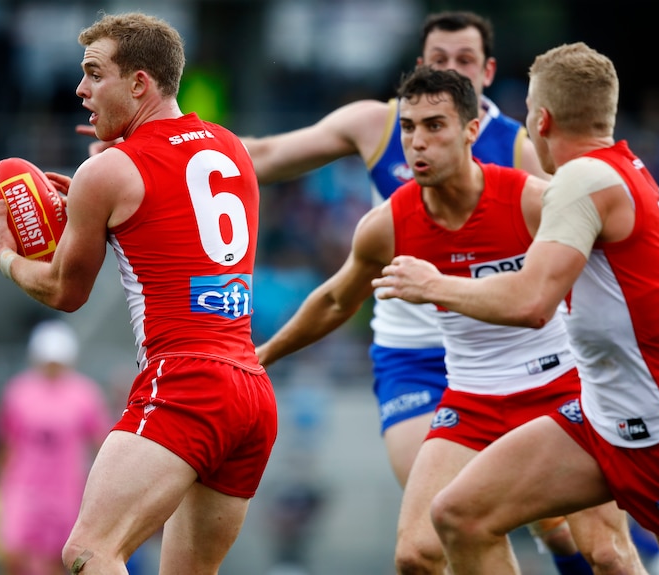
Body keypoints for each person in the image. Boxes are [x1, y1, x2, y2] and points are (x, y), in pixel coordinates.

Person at [372, 42, 659, 575]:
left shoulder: (576, 180)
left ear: (542, 119)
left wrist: (434, 284)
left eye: (528, 111)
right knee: (459, 515)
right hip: (598, 423)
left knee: (615, 559)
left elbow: (531, 302)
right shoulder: (627, 168)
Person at [242, 11, 597, 573]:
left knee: (581, 540)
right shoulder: (380, 148)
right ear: (419, 66)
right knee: (438, 531)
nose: (417, 141)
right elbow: (263, 163)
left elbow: (587, 247)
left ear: (486, 75)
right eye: (438, 60)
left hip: (530, 359)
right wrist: (157, 152)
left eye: (464, 61)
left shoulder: (524, 165)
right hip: (421, 358)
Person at [0, 12, 277, 575]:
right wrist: (101, 185)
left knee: (89, 552)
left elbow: (65, 292)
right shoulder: (230, 146)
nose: (80, 89)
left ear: (139, 83)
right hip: (250, 390)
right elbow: (167, 203)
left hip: (185, 379)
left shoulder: (110, 171)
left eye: (94, 74)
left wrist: (4, 256)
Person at [0, 320, 110, 575]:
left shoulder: (84, 394)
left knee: (59, 558)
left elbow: (101, 443)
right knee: (13, 554)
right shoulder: (19, 391)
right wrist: (1, 484)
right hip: (23, 487)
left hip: (65, 490)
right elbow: (6, 442)